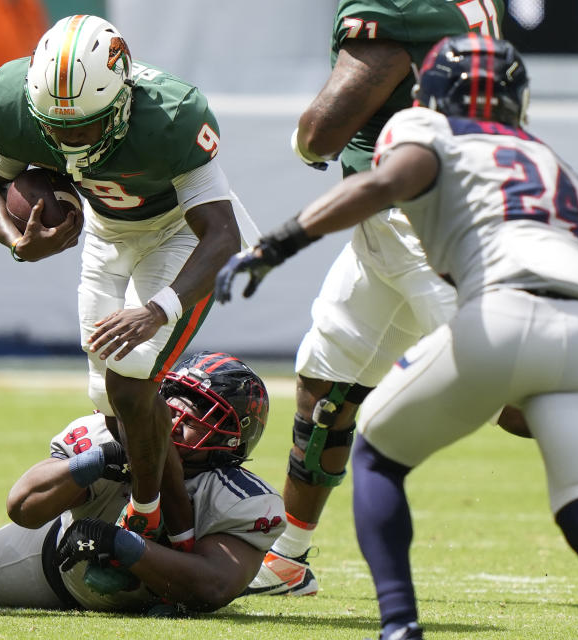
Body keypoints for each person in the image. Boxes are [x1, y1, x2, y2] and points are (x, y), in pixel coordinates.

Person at [217, 34, 578, 640]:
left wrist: (276, 244)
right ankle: (289, 554)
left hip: (487, 294)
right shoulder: (551, 162)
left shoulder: (426, 131)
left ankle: (399, 624)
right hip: (576, 324)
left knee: (402, 444)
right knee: (327, 386)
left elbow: (380, 185)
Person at [218, 0, 509, 597]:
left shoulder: (397, 7)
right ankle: (290, 559)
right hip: (393, 223)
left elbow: (319, 131)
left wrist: (306, 145)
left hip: (429, 223)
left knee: (518, 397)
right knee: (327, 383)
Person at [0, 15, 248, 547]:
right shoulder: (12, 100)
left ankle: (147, 513)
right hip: (105, 230)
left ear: (122, 101)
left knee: (129, 374)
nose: (70, 143)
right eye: (56, 128)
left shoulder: (170, 115)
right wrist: (15, 241)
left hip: (178, 233)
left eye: (85, 126)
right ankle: (179, 522)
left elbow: (222, 234)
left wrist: (157, 309)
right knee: (110, 400)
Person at [0, 351, 284, 612]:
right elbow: (23, 506)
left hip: (120, 562)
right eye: (173, 400)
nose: (175, 416)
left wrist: (122, 545)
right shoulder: (109, 435)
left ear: (231, 437)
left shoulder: (243, 501)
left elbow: (212, 587)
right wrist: (103, 457)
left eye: (197, 413)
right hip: (58, 560)